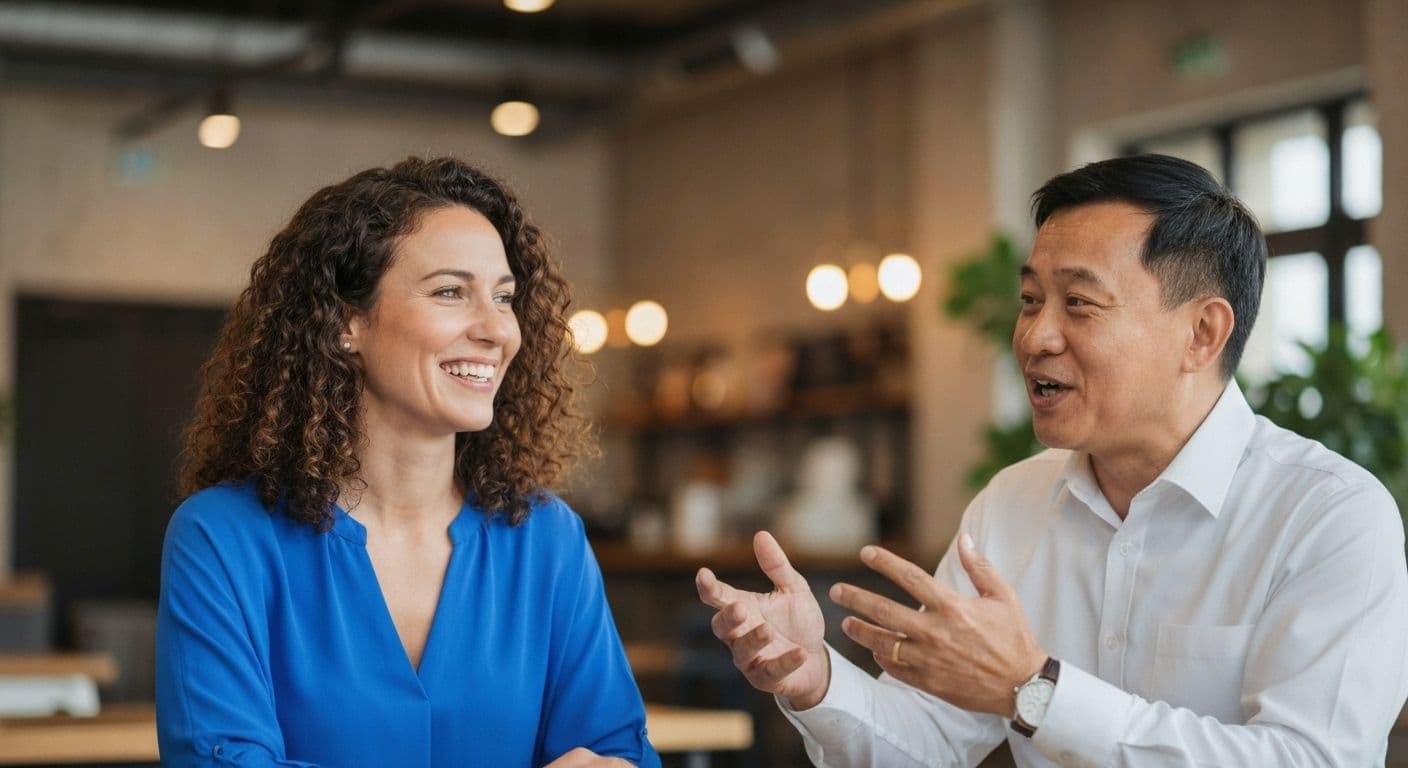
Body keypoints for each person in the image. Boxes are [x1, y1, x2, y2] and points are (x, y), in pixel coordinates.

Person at [697, 154, 1408, 766]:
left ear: (1202, 333)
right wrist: (816, 677)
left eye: (1079, 304)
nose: (1036, 336)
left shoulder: (1331, 517)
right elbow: (923, 744)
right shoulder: (1010, 505)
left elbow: (1312, 759)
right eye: (1031, 300)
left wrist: (1034, 690)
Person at [157, 157, 659, 768]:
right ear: (347, 321)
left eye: (504, 299)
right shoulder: (222, 537)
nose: (496, 330)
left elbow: (614, 752)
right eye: (451, 291)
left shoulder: (546, 539)